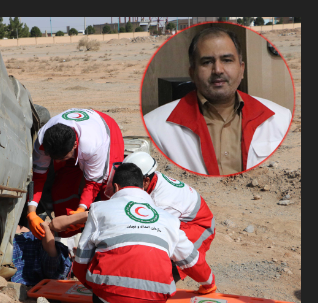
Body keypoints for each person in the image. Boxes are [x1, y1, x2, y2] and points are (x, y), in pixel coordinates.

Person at [73, 163, 217, 303]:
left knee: (99, 252)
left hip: (108, 302)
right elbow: (191, 260)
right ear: (143, 185)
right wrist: (209, 283)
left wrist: (96, 288)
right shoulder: (169, 219)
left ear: (115, 186)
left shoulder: (98, 209)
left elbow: (81, 260)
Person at [144, 26, 292, 175]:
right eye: (207, 62)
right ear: (192, 73)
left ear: (241, 70)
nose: (218, 70)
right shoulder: (155, 127)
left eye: (227, 60)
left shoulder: (280, 119)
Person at [27, 108, 124, 239]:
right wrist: (31, 212)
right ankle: (68, 239)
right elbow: (38, 177)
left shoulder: (94, 144)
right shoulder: (43, 141)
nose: (57, 161)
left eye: (63, 158)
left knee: (110, 186)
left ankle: (110, 234)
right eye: (54, 158)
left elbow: (93, 184)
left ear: (74, 145)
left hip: (105, 128)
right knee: (61, 187)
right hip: (73, 139)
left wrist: (80, 211)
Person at [121, 152, 215, 281]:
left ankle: (203, 282)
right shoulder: (151, 180)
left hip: (199, 224)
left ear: (146, 180)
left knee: (175, 258)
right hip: (182, 216)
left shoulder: (161, 202)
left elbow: (157, 230)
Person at [12, 212, 89, 286]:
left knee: (20, 229)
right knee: (24, 229)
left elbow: (49, 239)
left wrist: (46, 226)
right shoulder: (65, 264)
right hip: (23, 249)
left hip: (15, 251)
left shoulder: (62, 265)